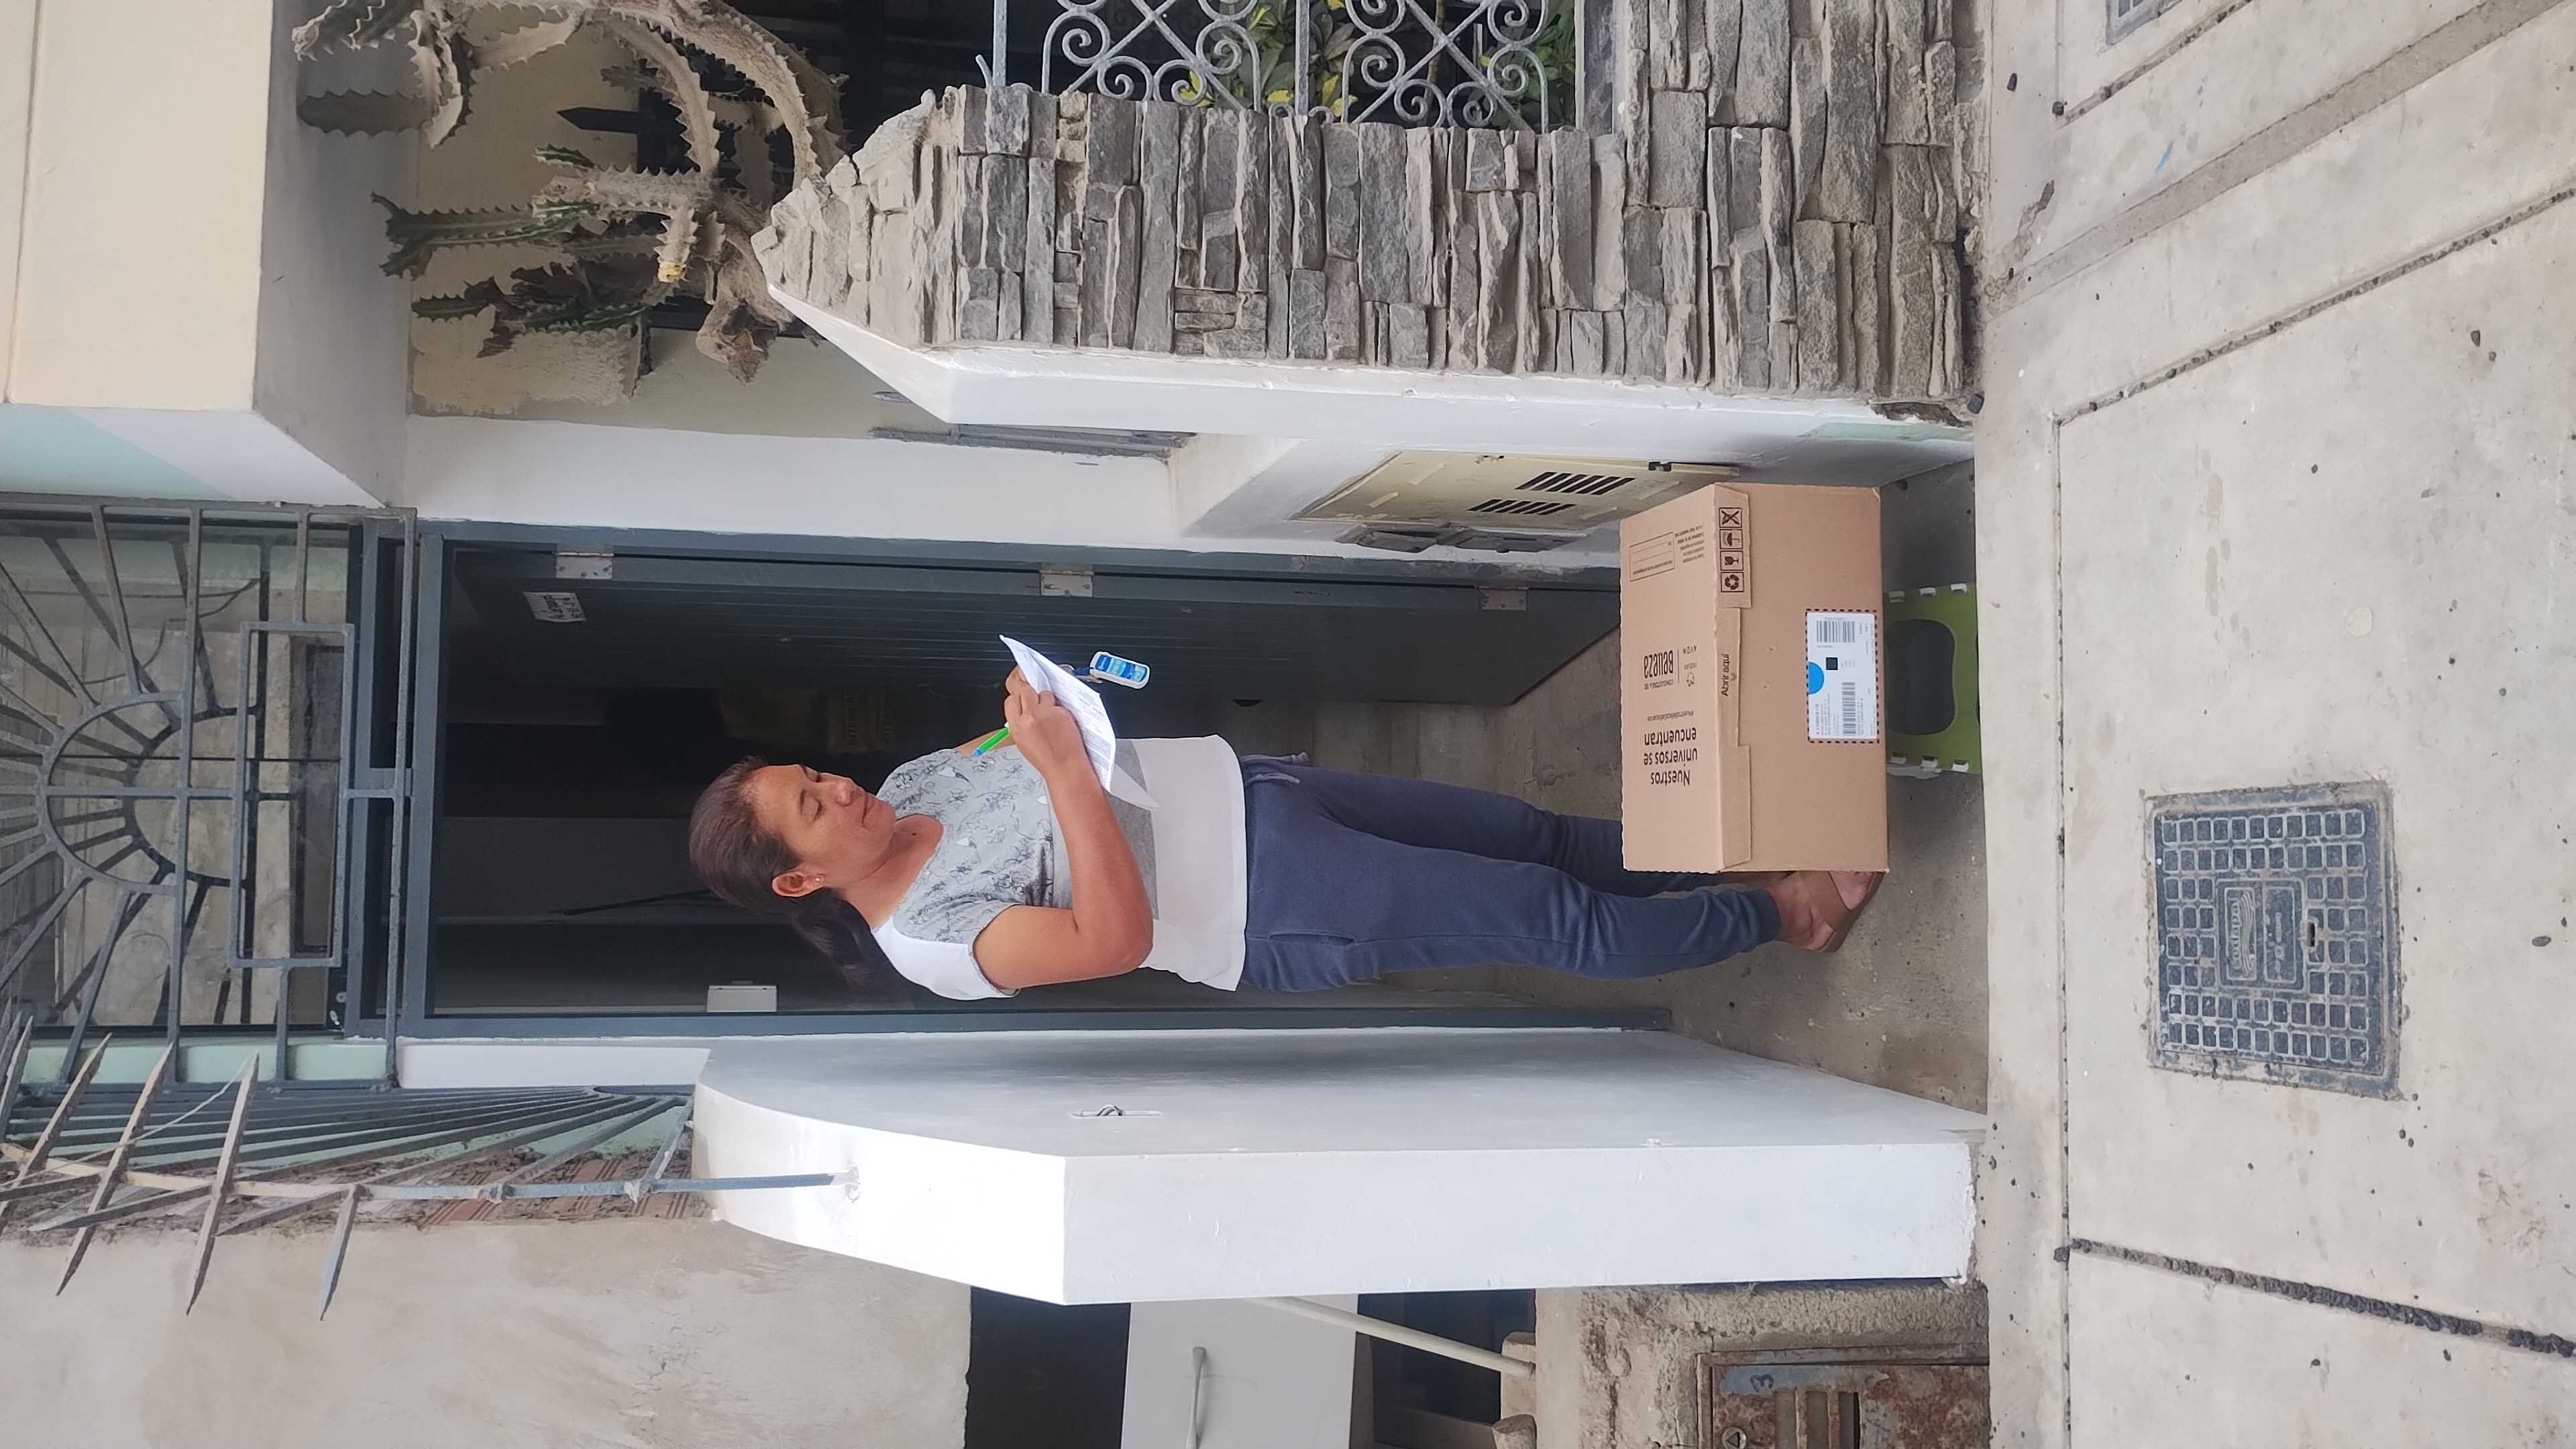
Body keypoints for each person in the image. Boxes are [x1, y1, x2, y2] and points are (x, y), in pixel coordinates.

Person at [687, 669, 1882, 1000]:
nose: (841, 789)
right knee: (1542, 917)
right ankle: (1785, 913)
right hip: (1276, 905)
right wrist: (1060, 773)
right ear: (799, 878)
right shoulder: (932, 944)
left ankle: (1740, 855)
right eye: (813, 806)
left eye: (816, 774)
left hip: (1256, 791)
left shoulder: (910, 783)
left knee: (1530, 835)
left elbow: (1028, 746)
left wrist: (1044, 703)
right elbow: (1110, 941)